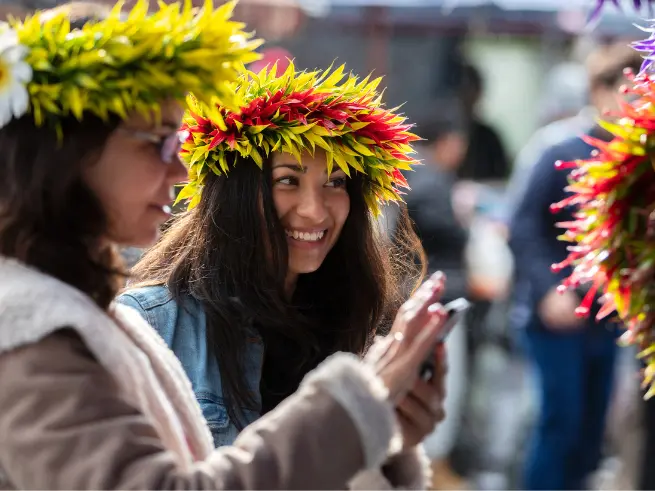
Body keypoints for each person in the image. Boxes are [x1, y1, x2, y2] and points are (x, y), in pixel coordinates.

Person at [0, 3, 449, 489]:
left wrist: (386, 445)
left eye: (337, 183)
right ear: (71, 154)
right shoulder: (32, 326)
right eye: (158, 143)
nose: (179, 172)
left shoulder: (93, 316)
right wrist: (355, 411)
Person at [117, 62, 443, 488]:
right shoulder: (150, 325)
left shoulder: (352, 319)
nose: (314, 209)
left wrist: (392, 449)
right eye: (288, 180)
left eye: (336, 182)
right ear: (234, 194)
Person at [508, 41, 642, 490]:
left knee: (591, 433)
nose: (637, 102)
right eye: (629, 90)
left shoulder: (637, 158)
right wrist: (549, 289)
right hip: (555, 316)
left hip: (607, 318)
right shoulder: (559, 147)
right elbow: (522, 227)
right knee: (560, 424)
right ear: (600, 91)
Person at [404, 113, 470, 490]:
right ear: (449, 141)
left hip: (414, 295)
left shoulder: (411, 171)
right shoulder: (432, 178)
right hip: (437, 297)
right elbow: (448, 237)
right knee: (443, 383)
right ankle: (433, 469)